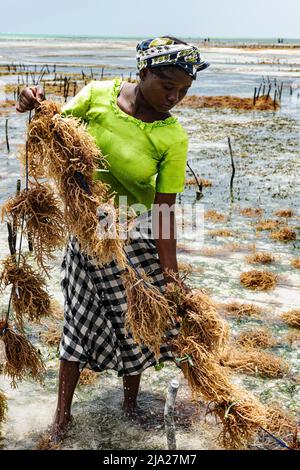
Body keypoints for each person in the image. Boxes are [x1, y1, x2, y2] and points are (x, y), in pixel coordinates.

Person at [16, 36, 209, 442]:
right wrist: (30, 103)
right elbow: (55, 128)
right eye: (168, 86)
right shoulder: (98, 96)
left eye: (184, 91)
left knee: (139, 322)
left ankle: (130, 405)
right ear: (143, 73)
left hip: (135, 235)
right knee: (77, 322)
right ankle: (62, 417)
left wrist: (170, 274)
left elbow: (166, 210)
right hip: (88, 233)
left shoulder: (172, 137)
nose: (175, 97)